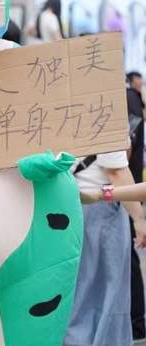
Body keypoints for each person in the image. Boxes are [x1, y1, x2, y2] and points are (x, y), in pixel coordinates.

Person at [65, 151, 146, 346]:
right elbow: (116, 171)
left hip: (72, 203)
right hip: (99, 210)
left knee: (79, 290)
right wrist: (138, 217)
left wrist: (101, 194)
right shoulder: (106, 131)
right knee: (106, 292)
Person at [126, 71, 146, 342]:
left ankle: (137, 324)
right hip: (123, 193)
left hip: (120, 195)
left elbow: (128, 155)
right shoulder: (130, 98)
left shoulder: (127, 97)